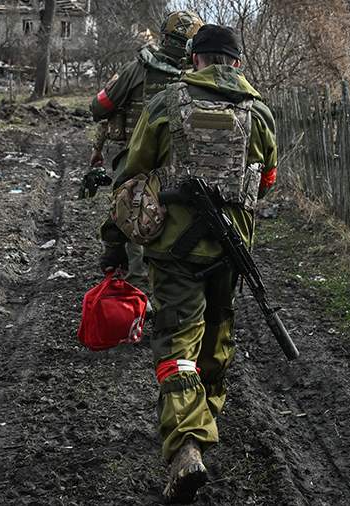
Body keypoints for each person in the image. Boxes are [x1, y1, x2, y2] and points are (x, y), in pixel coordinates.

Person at [98, 24, 278, 503]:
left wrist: (114, 238)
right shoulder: (258, 112)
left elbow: (131, 174)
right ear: (237, 63)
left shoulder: (165, 105)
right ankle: (202, 418)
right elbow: (266, 182)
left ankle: (186, 446)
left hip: (173, 253)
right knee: (218, 338)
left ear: (194, 60)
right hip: (231, 249)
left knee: (177, 344)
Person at [87, 10, 204, 290]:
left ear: (164, 36)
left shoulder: (138, 68)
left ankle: (136, 285)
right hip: (180, 163)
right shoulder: (197, 75)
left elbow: (99, 107)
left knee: (132, 214)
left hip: (135, 156)